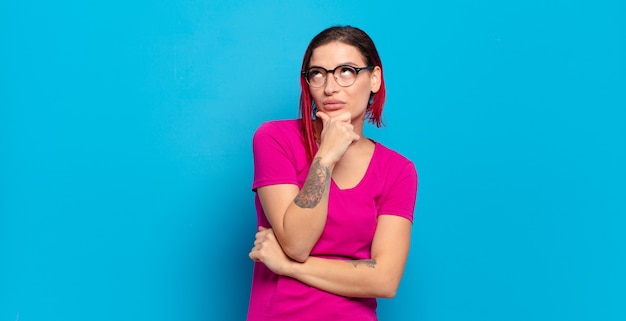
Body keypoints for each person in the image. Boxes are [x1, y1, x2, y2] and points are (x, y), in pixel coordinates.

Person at [246, 25, 418, 321]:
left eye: (346, 71)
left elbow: (384, 280)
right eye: (318, 73)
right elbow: (297, 243)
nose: (330, 87)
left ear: (374, 78)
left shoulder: (398, 170)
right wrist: (325, 156)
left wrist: (288, 266)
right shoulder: (275, 138)